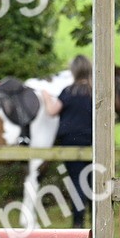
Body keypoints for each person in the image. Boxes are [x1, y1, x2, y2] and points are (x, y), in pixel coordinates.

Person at [41, 55, 94, 228]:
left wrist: (46, 95)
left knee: (77, 181)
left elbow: (51, 111)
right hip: (92, 143)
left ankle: (78, 224)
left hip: (70, 143)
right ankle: (95, 222)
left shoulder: (69, 92)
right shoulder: (95, 92)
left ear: (74, 71)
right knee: (93, 181)